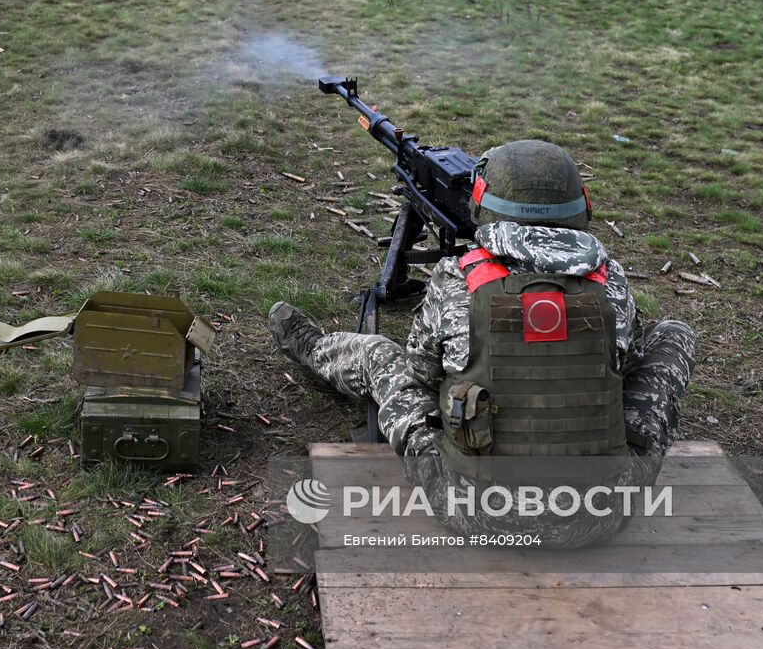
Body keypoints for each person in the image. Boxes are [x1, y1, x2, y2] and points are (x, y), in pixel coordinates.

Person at [270, 140, 697, 547]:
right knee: (674, 335)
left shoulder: (459, 277)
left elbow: (421, 371)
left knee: (382, 357)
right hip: (601, 516)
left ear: (481, 204)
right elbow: (630, 361)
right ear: (582, 206)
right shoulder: (613, 284)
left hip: (473, 510)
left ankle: (314, 348)